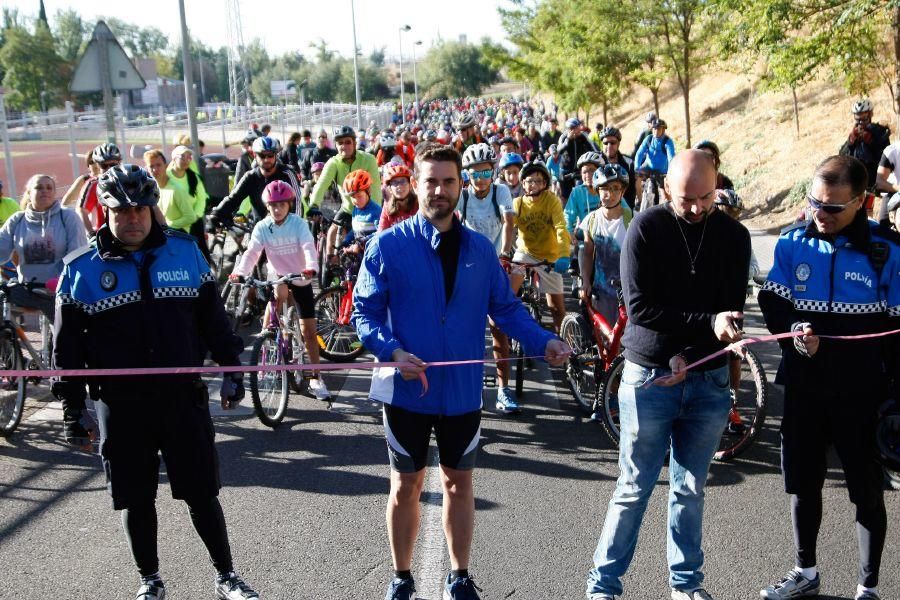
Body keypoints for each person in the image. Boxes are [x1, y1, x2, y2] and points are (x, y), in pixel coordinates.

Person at [351, 144, 571, 600]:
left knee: (458, 481)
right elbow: (364, 314)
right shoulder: (387, 245)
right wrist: (392, 353)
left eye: (448, 181)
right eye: (430, 181)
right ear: (415, 184)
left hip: (462, 392)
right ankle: (402, 576)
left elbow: (506, 310)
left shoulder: (479, 249)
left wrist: (543, 341)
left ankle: (460, 575)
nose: (440, 190)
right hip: (405, 391)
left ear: (460, 185)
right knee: (405, 485)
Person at [52, 164, 258, 600]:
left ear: (152, 208)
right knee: (135, 498)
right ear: (104, 211)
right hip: (120, 407)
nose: (132, 219)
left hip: (182, 399)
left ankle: (227, 576)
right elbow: (66, 354)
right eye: (121, 211)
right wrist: (74, 410)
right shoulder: (80, 271)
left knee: (202, 493)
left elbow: (214, 325)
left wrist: (232, 372)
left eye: (141, 209)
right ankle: (150, 580)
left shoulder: (187, 253)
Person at [584, 150, 750, 600]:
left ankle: (686, 586)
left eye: (705, 198)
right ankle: (603, 586)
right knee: (634, 487)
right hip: (650, 375)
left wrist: (708, 342)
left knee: (691, 489)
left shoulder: (734, 236)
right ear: (664, 191)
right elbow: (640, 309)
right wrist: (680, 348)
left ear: (718, 186)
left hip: (708, 379)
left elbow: (729, 308)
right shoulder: (646, 227)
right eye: (685, 200)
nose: (696, 208)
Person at [757, 155, 898, 600]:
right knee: (801, 481)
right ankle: (805, 571)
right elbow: (773, 303)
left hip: (863, 395)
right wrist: (795, 335)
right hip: (804, 386)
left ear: (862, 201)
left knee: (867, 491)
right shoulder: (793, 243)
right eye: (814, 203)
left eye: (833, 208)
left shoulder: (887, 252)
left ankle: (868, 588)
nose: (821, 214)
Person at [229, 180, 330, 401]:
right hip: (279, 275)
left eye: (282, 204)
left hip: (301, 276)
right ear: (267, 206)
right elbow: (252, 252)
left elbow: (307, 246)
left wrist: (311, 267)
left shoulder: (298, 224)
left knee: (309, 332)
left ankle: (315, 377)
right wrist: (240, 272)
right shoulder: (262, 227)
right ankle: (269, 342)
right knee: (276, 299)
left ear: (289, 204)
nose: (277, 209)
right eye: (273, 205)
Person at [457, 143, 519, 413]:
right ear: (466, 175)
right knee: (467, 332)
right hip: (469, 268)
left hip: (496, 265)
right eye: (474, 174)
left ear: (493, 172)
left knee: (498, 329)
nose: (480, 179)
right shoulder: (463, 196)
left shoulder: (500, 191)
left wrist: (504, 253)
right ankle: (469, 386)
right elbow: (451, 221)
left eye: (485, 173)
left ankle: (504, 390)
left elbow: (508, 222)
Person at [0, 174, 87, 320]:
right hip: (27, 288)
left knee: (65, 336)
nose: (44, 191)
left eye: (49, 187)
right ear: (29, 193)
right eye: (39, 187)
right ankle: (9, 340)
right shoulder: (17, 220)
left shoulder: (68, 217)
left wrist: (63, 281)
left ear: (54, 192)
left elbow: (77, 255)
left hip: (59, 290)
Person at [506, 160, 570, 337]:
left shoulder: (552, 201)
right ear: (523, 183)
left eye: (538, 181)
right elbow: (509, 228)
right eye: (529, 180)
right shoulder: (517, 203)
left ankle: (564, 349)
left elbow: (560, 227)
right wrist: (504, 253)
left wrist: (564, 254)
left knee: (556, 308)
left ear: (545, 184)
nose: (533, 184)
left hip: (549, 257)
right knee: (509, 296)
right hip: (524, 253)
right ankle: (511, 333)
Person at [578, 164, 633, 327]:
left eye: (616, 188)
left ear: (623, 191)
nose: (611, 194)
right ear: (597, 191)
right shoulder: (591, 220)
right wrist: (585, 281)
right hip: (602, 292)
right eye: (605, 189)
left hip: (628, 291)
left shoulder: (631, 219)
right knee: (606, 338)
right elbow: (588, 254)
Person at [211, 136, 303, 224]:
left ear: (275, 155)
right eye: (262, 155)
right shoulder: (250, 177)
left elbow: (297, 201)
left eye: (270, 155)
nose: (266, 159)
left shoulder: (287, 174)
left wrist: (295, 225)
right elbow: (233, 199)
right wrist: (216, 214)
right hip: (259, 231)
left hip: (285, 229)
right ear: (255, 155)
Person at [167, 146, 210, 262]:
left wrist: (195, 215)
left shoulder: (194, 177)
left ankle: (205, 276)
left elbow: (201, 199)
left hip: (193, 221)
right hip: (174, 223)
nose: (187, 160)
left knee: (201, 252)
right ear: (174, 159)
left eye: (189, 157)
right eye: (183, 157)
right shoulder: (166, 177)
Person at [839, 99, 891, 195]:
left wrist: (871, 142)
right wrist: (851, 141)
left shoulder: (879, 131)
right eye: (858, 119)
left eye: (864, 119)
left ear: (870, 115)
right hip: (855, 179)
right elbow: (842, 156)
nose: (861, 123)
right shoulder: (854, 132)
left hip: (873, 179)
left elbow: (886, 156)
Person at [143, 149, 196, 232]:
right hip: (162, 238)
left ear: (166, 166)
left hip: (178, 239)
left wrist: (167, 225)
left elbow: (190, 217)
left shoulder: (176, 189)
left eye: (158, 165)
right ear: (147, 169)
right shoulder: (151, 191)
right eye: (151, 166)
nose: (155, 169)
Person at [78, 143, 122, 237]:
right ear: (97, 165)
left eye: (113, 164)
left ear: (119, 162)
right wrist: (91, 233)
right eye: (104, 166)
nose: (109, 168)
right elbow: (81, 210)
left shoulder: (127, 181)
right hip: (103, 236)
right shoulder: (93, 184)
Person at [564, 151, 605, 234]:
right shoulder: (577, 192)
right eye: (584, 172)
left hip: (606, 236)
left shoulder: (607, 189)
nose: (588, 175)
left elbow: (625, 210)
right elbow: (568, 216)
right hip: (585, 237)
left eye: (592, 170)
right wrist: (569, 232)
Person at [557, 118, 597, 200]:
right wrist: (568, 140)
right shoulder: (563, 137)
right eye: (575, 128)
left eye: (579, 127)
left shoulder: (583, 136)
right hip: (565, 171)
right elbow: (559, 150)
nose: (579, 130)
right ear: (569, 129)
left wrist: (599, 155)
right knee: (565, 196)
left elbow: (593, 148)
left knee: (581, 193)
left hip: (579, 170)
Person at [598, 127, 636, 206]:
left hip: (623, 208)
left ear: (618, 143)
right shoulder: (595, 162)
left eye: (612, 142)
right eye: (605, 143)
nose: (609, 146)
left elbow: (631, 191)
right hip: (601, 209)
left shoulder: (628, 163)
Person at [378, 163, 419, 231]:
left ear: (410, 185)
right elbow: (381, 231)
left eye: (403, 181)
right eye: (394, 182)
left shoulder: (418, 204)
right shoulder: (387, 207)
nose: (399, 186)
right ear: (390, 188)